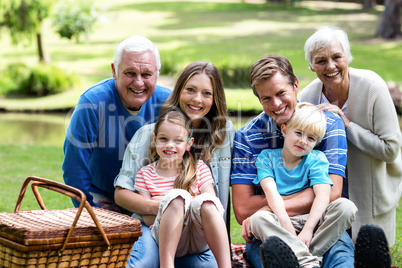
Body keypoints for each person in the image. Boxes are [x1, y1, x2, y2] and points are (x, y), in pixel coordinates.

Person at [231, 54, 357, 268]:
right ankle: (309, 262)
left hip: (319, 223)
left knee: (340, 256)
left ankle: (308, 260)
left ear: (295, 85)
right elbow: (243, 210)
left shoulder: (327, 124)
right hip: (272, 229)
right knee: (269, 256)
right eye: (266, 98)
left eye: (281, 93)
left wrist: (263, 209)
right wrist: (272, 214)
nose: (276, 104)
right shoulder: (247, 137)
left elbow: (333, 191)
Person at [114, 61, 236, 267]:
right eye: (190, 90)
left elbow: (215, 202)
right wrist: (167, 206)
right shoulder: (147, 135)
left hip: (200, 232)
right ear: (179, 91)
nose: (197, 99)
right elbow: (121, 193)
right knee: (144, 262)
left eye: (207, 93)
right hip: (154, 225)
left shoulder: (224, 134)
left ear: (215, 99)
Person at [300, 26, 402, 245]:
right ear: (311, 66)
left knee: (367, 254)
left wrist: (346, 125)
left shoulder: (373, 88)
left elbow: (391, 150)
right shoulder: (308, 96)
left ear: (347, 57)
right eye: (320, 60)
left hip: (370, 190)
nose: (330, 66)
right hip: (327, 191)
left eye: (337, 57)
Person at [62, 35, 171, 210]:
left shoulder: (168, 102)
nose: (139, 82)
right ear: (114, 71)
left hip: (152, 195)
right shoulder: (92, 103)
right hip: (103, 196)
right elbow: (74, 165)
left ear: (157, 74)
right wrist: (89, 207)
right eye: (130, 73)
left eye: (147, 74)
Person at [250, 102, 356, 268]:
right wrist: (285, 222)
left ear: (316, 142)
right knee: (257, 219)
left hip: (312, 218)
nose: (303, 141)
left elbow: (323, 195)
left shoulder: (316, 158)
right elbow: (271, 193)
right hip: (279, 220)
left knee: (346, 207)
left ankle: (303, 259)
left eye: (311, 138)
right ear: (284, 130)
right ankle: (310, 262)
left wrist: (308, 229)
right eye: (298, 133)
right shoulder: (267, 157)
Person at [134, 109, 231, 268]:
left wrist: (172, 203)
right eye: (163, 139)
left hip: (199, 237)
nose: (170, 145)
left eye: (178, 140)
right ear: (154, 139)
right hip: (167, 241)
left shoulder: (199, 168)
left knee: (204, 202)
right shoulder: (145, 174)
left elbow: (213, 207)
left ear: (188, 143)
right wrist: (172, 203)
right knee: (177, 196)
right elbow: (149, 219)